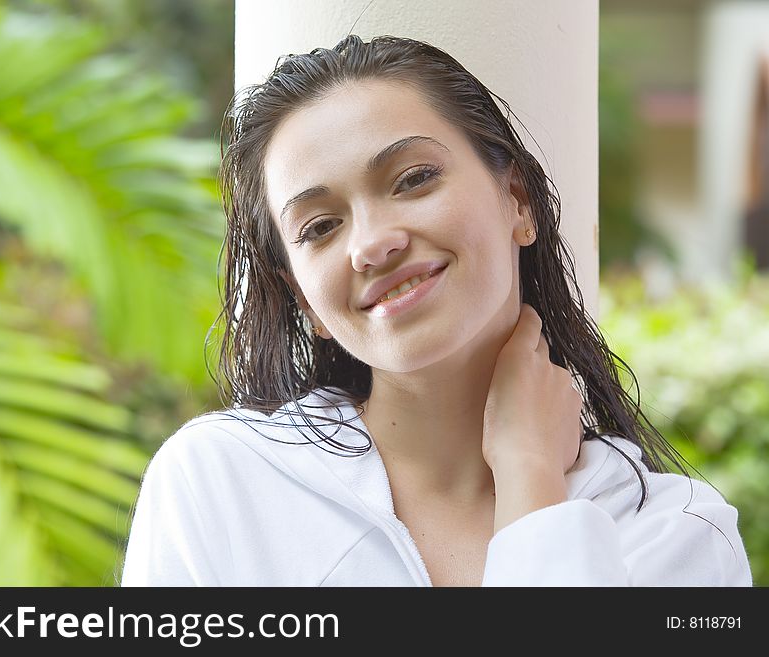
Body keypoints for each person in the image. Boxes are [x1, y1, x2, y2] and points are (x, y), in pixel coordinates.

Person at [120, 35, 752, 586]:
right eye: (319, 226)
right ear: (301, 298)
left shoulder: (678, 536)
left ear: (517, 200)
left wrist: (531, 483)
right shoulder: (220, 483)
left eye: (413, 178)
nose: (371, 244)